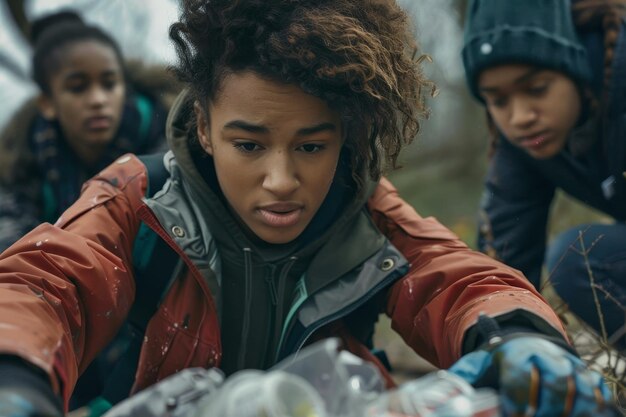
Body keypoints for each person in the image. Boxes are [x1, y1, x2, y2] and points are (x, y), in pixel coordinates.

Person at [0, 1, 616, 416]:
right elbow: (45, 283)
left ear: (345, 136)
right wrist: (15, 378)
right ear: (206, 128)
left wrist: (521, 338)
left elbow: (458, 278)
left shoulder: (365, 214)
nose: (281, 180)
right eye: (248, 144)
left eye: (312, 146)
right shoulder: (137, 198)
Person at [462, 0, 626, 350]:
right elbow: (504, 272)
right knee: (579, 260)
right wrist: (508, 350)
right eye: (498, 101)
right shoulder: (523, 142)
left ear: (574, 66)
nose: (520, 116)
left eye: (536, 89)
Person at [0, 10, 180, 253]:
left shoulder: (173, 147)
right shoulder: (20, 162)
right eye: (77, 88)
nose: (97, 100)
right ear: (48, 103)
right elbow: (14, 253)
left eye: (109, 84)